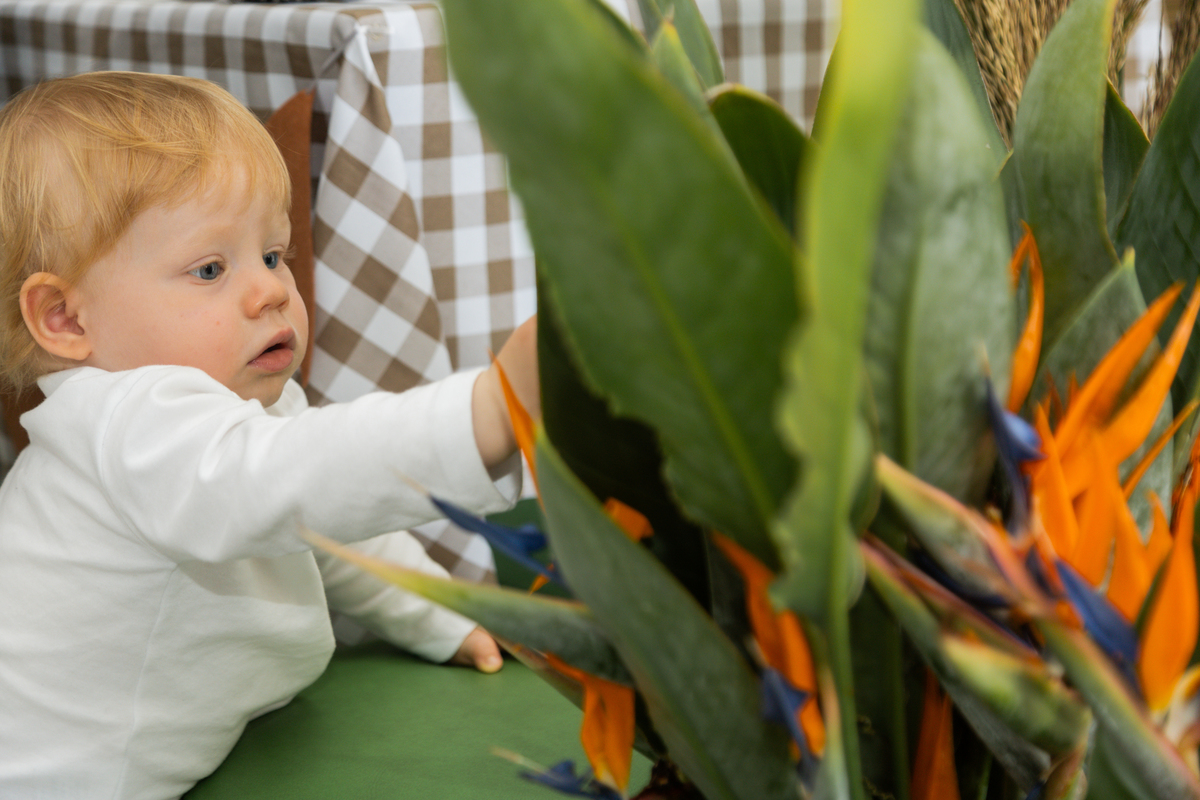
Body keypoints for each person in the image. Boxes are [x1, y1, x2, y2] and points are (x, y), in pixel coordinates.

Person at [0, 71, 539, 798]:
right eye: (210, 268)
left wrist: (438, 615)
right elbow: (296, 480)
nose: (272, 291)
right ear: (65, 319)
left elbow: (327, 528)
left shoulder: (236, 410)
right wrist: (488, 411)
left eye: (274, 254)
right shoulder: (127, 423)